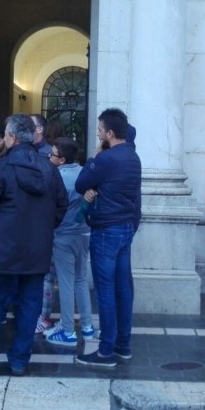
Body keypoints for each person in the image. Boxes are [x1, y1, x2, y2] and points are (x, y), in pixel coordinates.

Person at [0, 114, 67, 376]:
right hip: (36, 250)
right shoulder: (49, 169)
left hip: (2, 248)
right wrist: (44, 230)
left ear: (11, 137)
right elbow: (61, 207)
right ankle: (19, 361)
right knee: (29, 305)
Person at [74, 108, 142, 368]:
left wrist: (95, 156)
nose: (99, 133)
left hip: (106, 231)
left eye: (100, 130)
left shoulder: (107, 159)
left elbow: (82, 183)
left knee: (106, 292)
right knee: (123, 288)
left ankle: (105, 352)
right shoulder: (133, 157)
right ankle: (123, 346)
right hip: (125, 228)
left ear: (110, 133)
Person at [44, 137, 96, 347]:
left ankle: (67, 330)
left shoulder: (56, 177)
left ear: (62, 159)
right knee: (81, 280)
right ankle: (87, 326)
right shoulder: (84, 174)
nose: (49, 157)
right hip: (84, 233)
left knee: (65, 283)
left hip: (63, 235)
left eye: (53, 154)